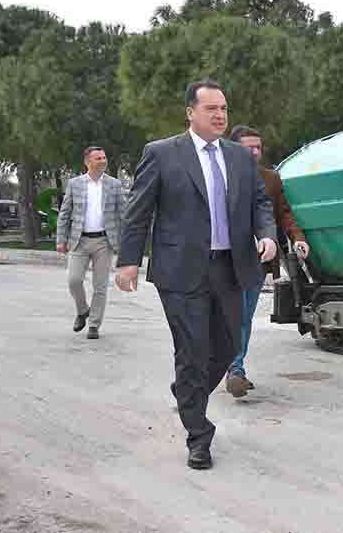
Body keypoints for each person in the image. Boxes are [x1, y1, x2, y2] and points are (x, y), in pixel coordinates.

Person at [115, 79, 277, 471]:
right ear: (191, 113)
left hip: (231, 267)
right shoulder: (162, 154)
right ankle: (199, 435)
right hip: (181, 270)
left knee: (227, 346)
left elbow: (259, 202)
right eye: (211, 109)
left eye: (224, 108)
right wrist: (128, 260)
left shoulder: (240, 157)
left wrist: (267, 235)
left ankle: (188, 391)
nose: (220, 115)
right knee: (192, 351)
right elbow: (139, 210)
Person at [224, 125, 311, 399]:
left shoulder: (271, 179)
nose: (254, 152)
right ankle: (216, 365)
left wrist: (297, 238)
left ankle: (235, 369)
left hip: (257, 261)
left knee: (244, 318)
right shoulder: (218, 175)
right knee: (221, 316)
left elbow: (284, 214)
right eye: (248, 147)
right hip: (221, 259)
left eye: (258, 147)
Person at [56, 146, 125, 339]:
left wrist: (127, 241)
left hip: (104, 241)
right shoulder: (75, 184)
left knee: (100, 286)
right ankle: (82, 310)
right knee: (74, 280)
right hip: (79, 240)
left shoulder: (115, 185)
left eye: (104, 157)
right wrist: (61, 240)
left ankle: (94, 324)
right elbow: (64, 213)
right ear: (87, 162)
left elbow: (124, 214)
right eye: (98, 158)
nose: (103, 160)